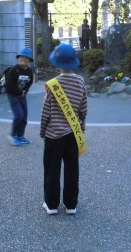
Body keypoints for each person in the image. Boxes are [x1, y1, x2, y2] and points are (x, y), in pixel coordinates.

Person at [40, 44, 88, 216]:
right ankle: (71, 204)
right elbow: (83, 108)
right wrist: (81, 127)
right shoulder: (80, 81)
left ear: (57, 63)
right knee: (72, 168)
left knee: (52, 169)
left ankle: (51, 204)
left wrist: (42, 130)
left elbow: (46, 111)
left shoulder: (52, 84)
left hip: (54, 134)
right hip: (73, 134)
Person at [5, 47, 35, 146]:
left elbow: (30, 82)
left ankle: (20, 135)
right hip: (13, 95)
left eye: (26, 58)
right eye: (22, 57)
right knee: (19, 115)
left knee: (24, 116)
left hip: (22, 95)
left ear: (29, 60)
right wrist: (19, 92)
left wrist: (25, 91)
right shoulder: (14, 70)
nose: (23, 59)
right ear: (19, 58)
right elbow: (9, 84)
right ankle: (13, 135)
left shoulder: (29, 71)